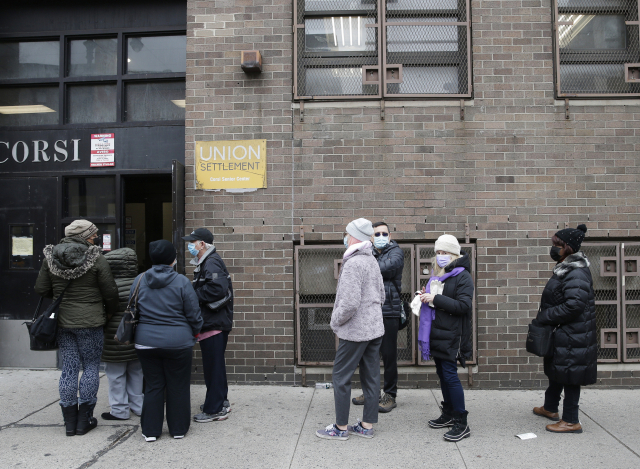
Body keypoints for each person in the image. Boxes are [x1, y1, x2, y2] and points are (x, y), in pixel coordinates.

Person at [34, 219, 119, 437]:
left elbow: (41, 288)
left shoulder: (50, 257)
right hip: (91, 321)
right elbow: (110, 292)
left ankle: (69, 423)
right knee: (91, 366)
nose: (96, 238)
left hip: (62, 321)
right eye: (93, 235)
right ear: (84, 236)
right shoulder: (96, 258)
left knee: (69, 368)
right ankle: (84, 420)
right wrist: (108, 313)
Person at [316, 218, 386, 440]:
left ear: (354, 236)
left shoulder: (353, 263)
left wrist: (335, 322)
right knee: (371, 377)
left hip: (355, 331)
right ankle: (366, 426)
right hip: (375, 328)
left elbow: (349, 303)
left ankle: (340, 428)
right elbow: (382, 295)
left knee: (341, 376)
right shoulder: (372, 260)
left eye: (346, 233)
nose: (344, 237)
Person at [134, 240, 203, 441]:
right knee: (178, 385)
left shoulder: (139, 280)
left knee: (153, 385)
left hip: (145, 342)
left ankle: (150, 431)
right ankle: (178, 429)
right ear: (173, 259)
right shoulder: (181, 281)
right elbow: (193, 313)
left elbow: (133, 309)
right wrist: (196, 332)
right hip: (178, 342)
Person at [533, 224, 596, 434]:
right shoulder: (565, 268)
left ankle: (571, 420)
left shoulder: (576, 272)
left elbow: (574, 305)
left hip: (574, 334)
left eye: (557, 245)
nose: (553, 249)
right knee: (558, 370)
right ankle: (550, 408)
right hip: (565, 331)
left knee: (570, 375)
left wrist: (546, 316)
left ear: (568, 247)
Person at [419, 234, 473, 442]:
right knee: (442, 374)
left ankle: (461, 421)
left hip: (453, 335)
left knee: (450, 376)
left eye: (445, 253)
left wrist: (436, 298)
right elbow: (438, 302)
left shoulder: (463, 276)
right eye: (438, 252)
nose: (441, 256)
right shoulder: (439, 275)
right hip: (438, 333)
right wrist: (426, 295)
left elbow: (463, 306)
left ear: (454, 254)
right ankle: (449, 412)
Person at [352, 221, 404, 413]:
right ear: (370, 238)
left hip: (389, 310)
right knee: (368, 355)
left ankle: (390, 395)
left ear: (390, 236)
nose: (381, 237)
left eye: (384, 233)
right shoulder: (369, 253)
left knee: (389, 355)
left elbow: (382, 268)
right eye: (377, 234)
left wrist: (365, 265)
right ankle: (370, 393)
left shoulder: (396, 252)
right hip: (370, 311)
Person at [183, 228, 233, 423]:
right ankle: (220, 402)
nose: (190, 246)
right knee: (216, 366)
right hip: (214, 322)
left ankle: (214, 410)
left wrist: (191, 296)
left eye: (192, 242)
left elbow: (217, 288)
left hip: (214, 323)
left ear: (202, 244)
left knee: (213, 367)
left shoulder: (211, 262)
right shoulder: (207, 262)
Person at [101, 247, 143, 421]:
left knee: (116, 375)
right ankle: (139, 406)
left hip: (114, 339)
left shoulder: (107, 286)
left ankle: (119, 410)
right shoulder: (141, 283)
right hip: (136, 336)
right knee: (137, 372)